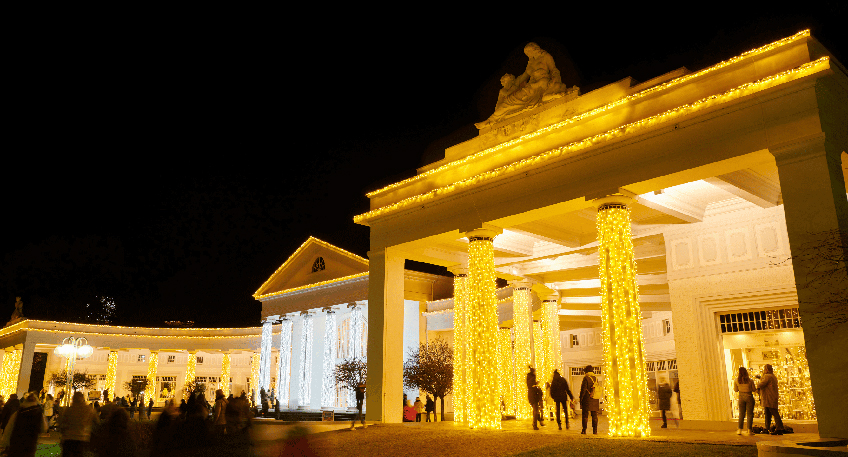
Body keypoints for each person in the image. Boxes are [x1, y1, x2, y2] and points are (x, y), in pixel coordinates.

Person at [0, 392, 46, 457]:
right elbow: (44, 428)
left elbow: (9, 428)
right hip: (31, 443)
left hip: (16, 442)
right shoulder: (39, 413)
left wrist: (5, 443)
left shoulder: (19, 412)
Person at [58, 391, 99, 457]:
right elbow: (97, 422)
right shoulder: (89, 410)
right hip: (82, 438)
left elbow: (61, 423)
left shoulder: (68, 410)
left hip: (68, 438)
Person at [757, 364, 785, 435]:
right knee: (768, 413)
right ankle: (767, 428)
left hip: (768, 397)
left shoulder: (767, 376)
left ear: (766, 369)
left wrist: (757, 385)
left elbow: (762, 384)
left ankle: (779, 428)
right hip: (771, 397)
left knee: (773, 413)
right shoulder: (773, 376)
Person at [734, 367, 756, 436]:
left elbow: (735, 390)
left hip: (741, 396)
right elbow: (754, 389)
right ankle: (749, 430)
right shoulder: (750, 380)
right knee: (749, 414)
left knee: (741, 414)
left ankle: (740, 429)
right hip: (749, 396)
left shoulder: (736, 380)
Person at [579, 365, 600, 435]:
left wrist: (581, 399)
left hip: (587, 398)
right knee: (594, 415)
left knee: (585, 415)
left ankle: (584, 430)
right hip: (594, 398)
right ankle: (595, 431)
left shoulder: (586, 378)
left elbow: (583, 390)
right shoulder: (596, 378)